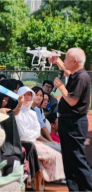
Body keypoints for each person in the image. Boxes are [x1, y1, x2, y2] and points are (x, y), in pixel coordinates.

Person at [49, 48, 92, 191]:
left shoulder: (81, 77)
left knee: (77, 159)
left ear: (74, 61)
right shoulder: (77, 74)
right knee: (69, 160)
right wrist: (58, 62)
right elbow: (67, 71)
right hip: (68, 122)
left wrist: (61, 87)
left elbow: (72, 101)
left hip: (74, 123)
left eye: (66, 59)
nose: (64, 61)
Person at [15, 86, 65, 183]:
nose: (28, 98)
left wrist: (31, 134)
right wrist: (32, 134)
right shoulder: (17, 113)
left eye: (30, 96)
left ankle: (44, 178)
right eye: (25, 96)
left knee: (56, 155)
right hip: (25, 143)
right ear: (20, 97)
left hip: (34, 142)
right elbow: (22, 133)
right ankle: (39, 179)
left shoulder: (32, 113)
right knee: (54, 155)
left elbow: (37, 131)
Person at [31, 86, 61, 153]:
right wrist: (49, 141)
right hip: (34, 141)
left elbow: (43, 127)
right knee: (59, 150)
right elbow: (39, 131)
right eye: (37, 95)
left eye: (41, 96)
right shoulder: (32, 110)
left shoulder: (39, 110)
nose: (39, 97)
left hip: (41, 139)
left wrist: (50, 141)